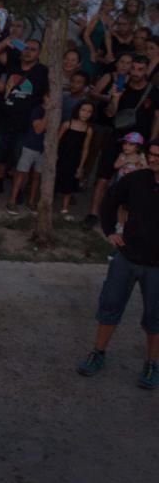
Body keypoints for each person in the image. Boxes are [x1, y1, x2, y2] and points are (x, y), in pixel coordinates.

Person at [77, 138, 159, 389]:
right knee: (110, 306)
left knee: (155, 318)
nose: (154, 158)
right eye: (152, 154)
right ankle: (98, 353)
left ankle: (152, 364)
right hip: (127, 257)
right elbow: (109, 202)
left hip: (156, 266)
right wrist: (110, 230)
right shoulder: (137, 179)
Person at [84, 55, 159, 228]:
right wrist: (115, 98)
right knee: (103, 176)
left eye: (140, 69)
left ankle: (126, 219)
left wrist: (152, 142)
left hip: (140, 143)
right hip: (117, 138)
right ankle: (93, 213)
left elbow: (157, 118)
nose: (136, 72)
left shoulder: (154, 92)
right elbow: (110, 114)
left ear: (147, 70)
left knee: (135, 180)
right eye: (133, 68)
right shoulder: (120, 87)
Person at [0, 38, 49, 196]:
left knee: (20, 157)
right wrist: (8, 41)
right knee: (0, 153)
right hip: (5, 117)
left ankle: (17, 190)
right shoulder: (13, 64)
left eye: (33, 49)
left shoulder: (43, 71)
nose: (28, 51)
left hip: (26, 122)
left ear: (39, 53)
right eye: (26, 48)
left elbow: (47, 95)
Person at [6, 96, 48, 215]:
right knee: (21, 173)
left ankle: (31, 202)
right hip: (30, 146)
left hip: (44, 149)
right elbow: (38, 129)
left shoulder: (57, 112)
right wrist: (48, 113)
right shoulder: (38, 110)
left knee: (36, 176)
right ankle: (12, 201)